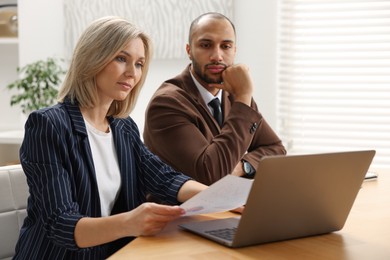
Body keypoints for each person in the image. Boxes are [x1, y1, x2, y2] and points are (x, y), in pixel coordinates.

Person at [13, 16, 206, 259]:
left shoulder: (123, 128)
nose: (132, 73)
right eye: (121, 58)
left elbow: (165, 178)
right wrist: (130, 222)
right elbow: (61, 223)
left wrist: (223, 197)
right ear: (93, 58)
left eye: (139, 64)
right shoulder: (48, 125)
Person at [143, 12, 286, 185]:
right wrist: (243, 97)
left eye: (225, 46)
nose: (217, 56)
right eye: (206, 45)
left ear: (234, 51)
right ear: (189, 51)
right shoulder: (166, 104)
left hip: (227, 207)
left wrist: (242, 166)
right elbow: (212, 174)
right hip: (181, 210)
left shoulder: (235, 93)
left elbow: (275, 149)